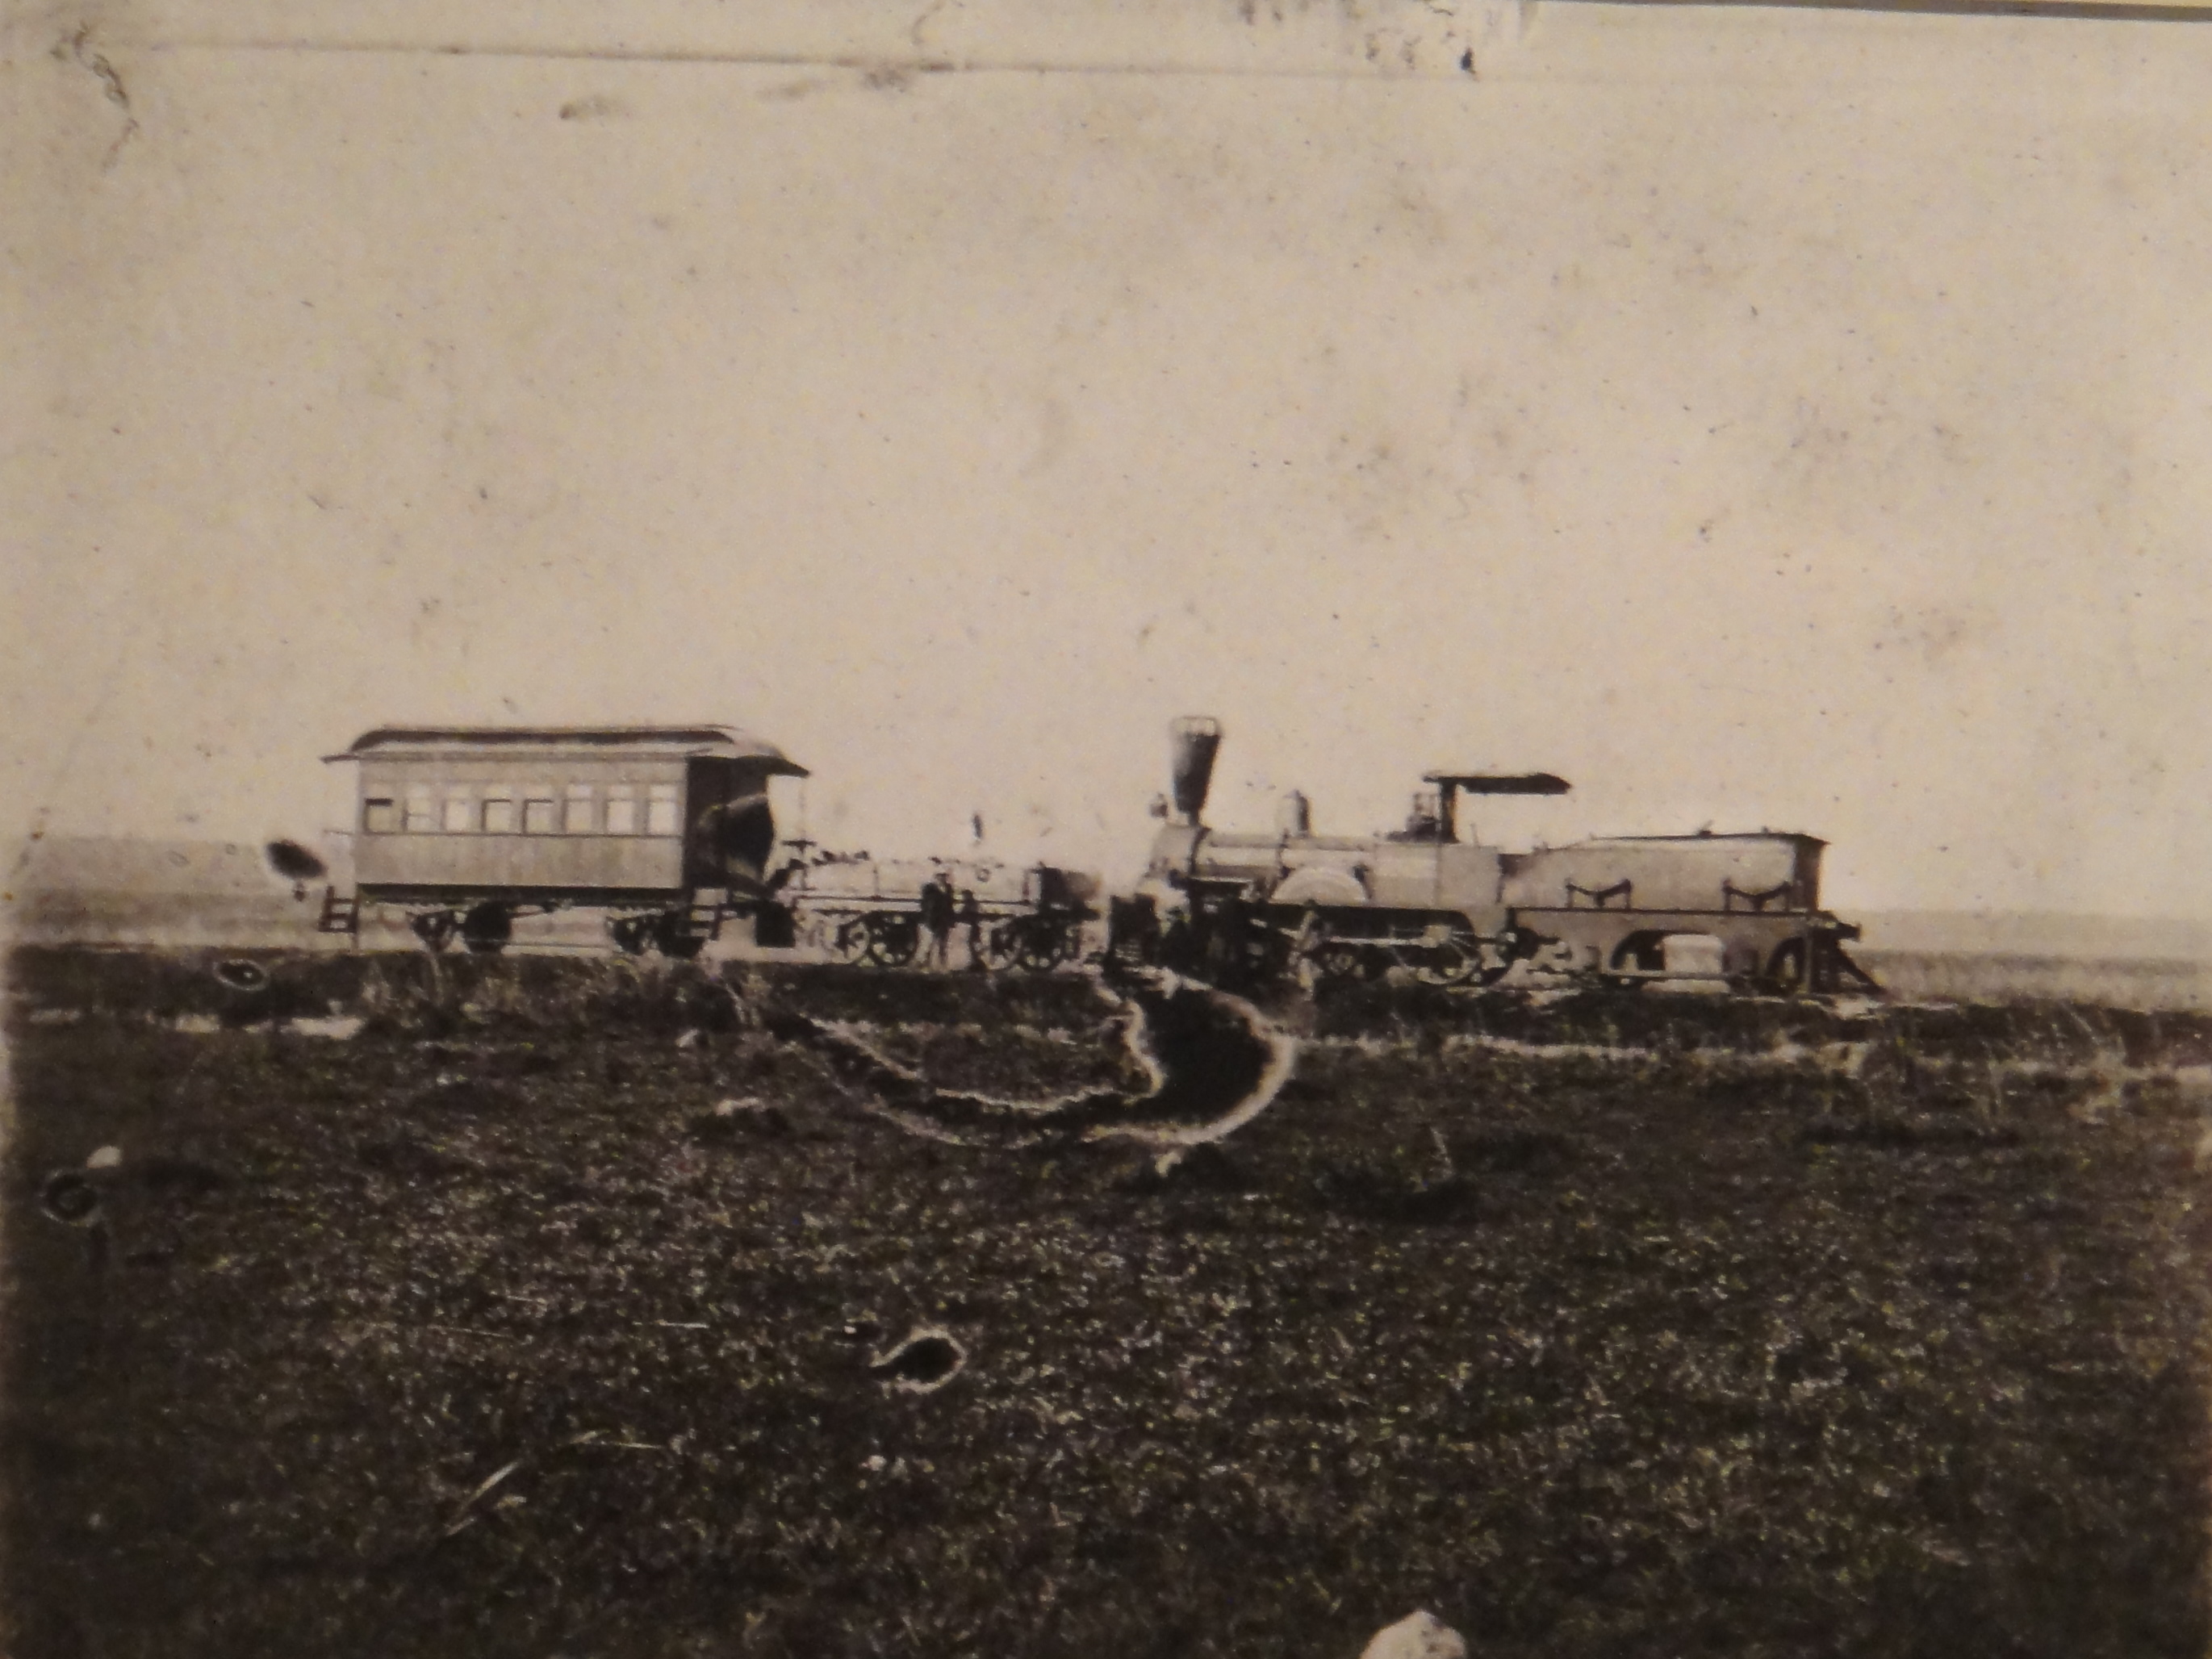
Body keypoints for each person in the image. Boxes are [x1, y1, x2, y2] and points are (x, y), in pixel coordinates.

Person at [919, 871, 955, 969]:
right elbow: (930, 906)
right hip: (936, 919)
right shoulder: (932, 890)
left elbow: (950, 905)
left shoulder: (948, 889)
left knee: (941, 943)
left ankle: (941, 963)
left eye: (944, 877)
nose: (943, 879)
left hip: (944, 919)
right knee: (933, 942)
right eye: (941, 877)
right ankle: (929, 962)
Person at [957, 888, 984, 969]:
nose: (963, 897)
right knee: (972, 943)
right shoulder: (971, 903)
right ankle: (975, 960)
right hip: (973, 926)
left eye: (964, 896)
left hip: (974, 926)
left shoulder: (970, 904)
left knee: (971, 943)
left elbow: (966, 914)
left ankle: (976, 960)